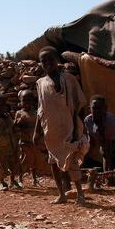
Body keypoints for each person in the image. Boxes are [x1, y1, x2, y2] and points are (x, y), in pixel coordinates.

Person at [33, 47, 89, 204]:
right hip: (51, 131)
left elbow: (80, 104)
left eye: (50, 59)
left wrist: (79, 127)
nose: (47, 63)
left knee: (72, 162)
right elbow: (40, 109)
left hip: (69, 127)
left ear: (57, 60)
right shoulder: (40, 83)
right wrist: (37, 131)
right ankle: (61, 195)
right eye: (43, 61)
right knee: (53, 163)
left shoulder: (69, 79)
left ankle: (79, 193)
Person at [83, 95, 115, 187]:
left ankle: (113, 178)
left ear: (105, 109)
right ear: (89, 109)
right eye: (94, 108)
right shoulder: (88, 120)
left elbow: (108, 148)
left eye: (100, 108)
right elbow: (91, 141)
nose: (97, 111)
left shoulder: (109, 121)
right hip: (105, 149)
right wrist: (84, 157)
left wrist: (108, 173)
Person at [14, 89, 47, 186]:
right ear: (20, 101)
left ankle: (34, 178)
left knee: (34, 161)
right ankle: (20, 179)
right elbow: (16, 127)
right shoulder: (19, 113)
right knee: (25, 160)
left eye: (29, 100)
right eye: (24, 100)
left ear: (33, 102)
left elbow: (39, 127)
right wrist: (18, 124)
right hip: (24, 142)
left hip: (34, 142)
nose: (26, 103)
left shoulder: (36, 113)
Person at [0, 93, 22, 191]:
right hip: (0, 147)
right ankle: (2, 182)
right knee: (2, 166)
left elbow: (13, 128)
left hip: (11, 146)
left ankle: (12, 181)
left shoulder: (8, 117)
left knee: (13, 164)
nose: (0, 108)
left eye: (2, 105)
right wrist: (3, 130)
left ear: (6, 106)